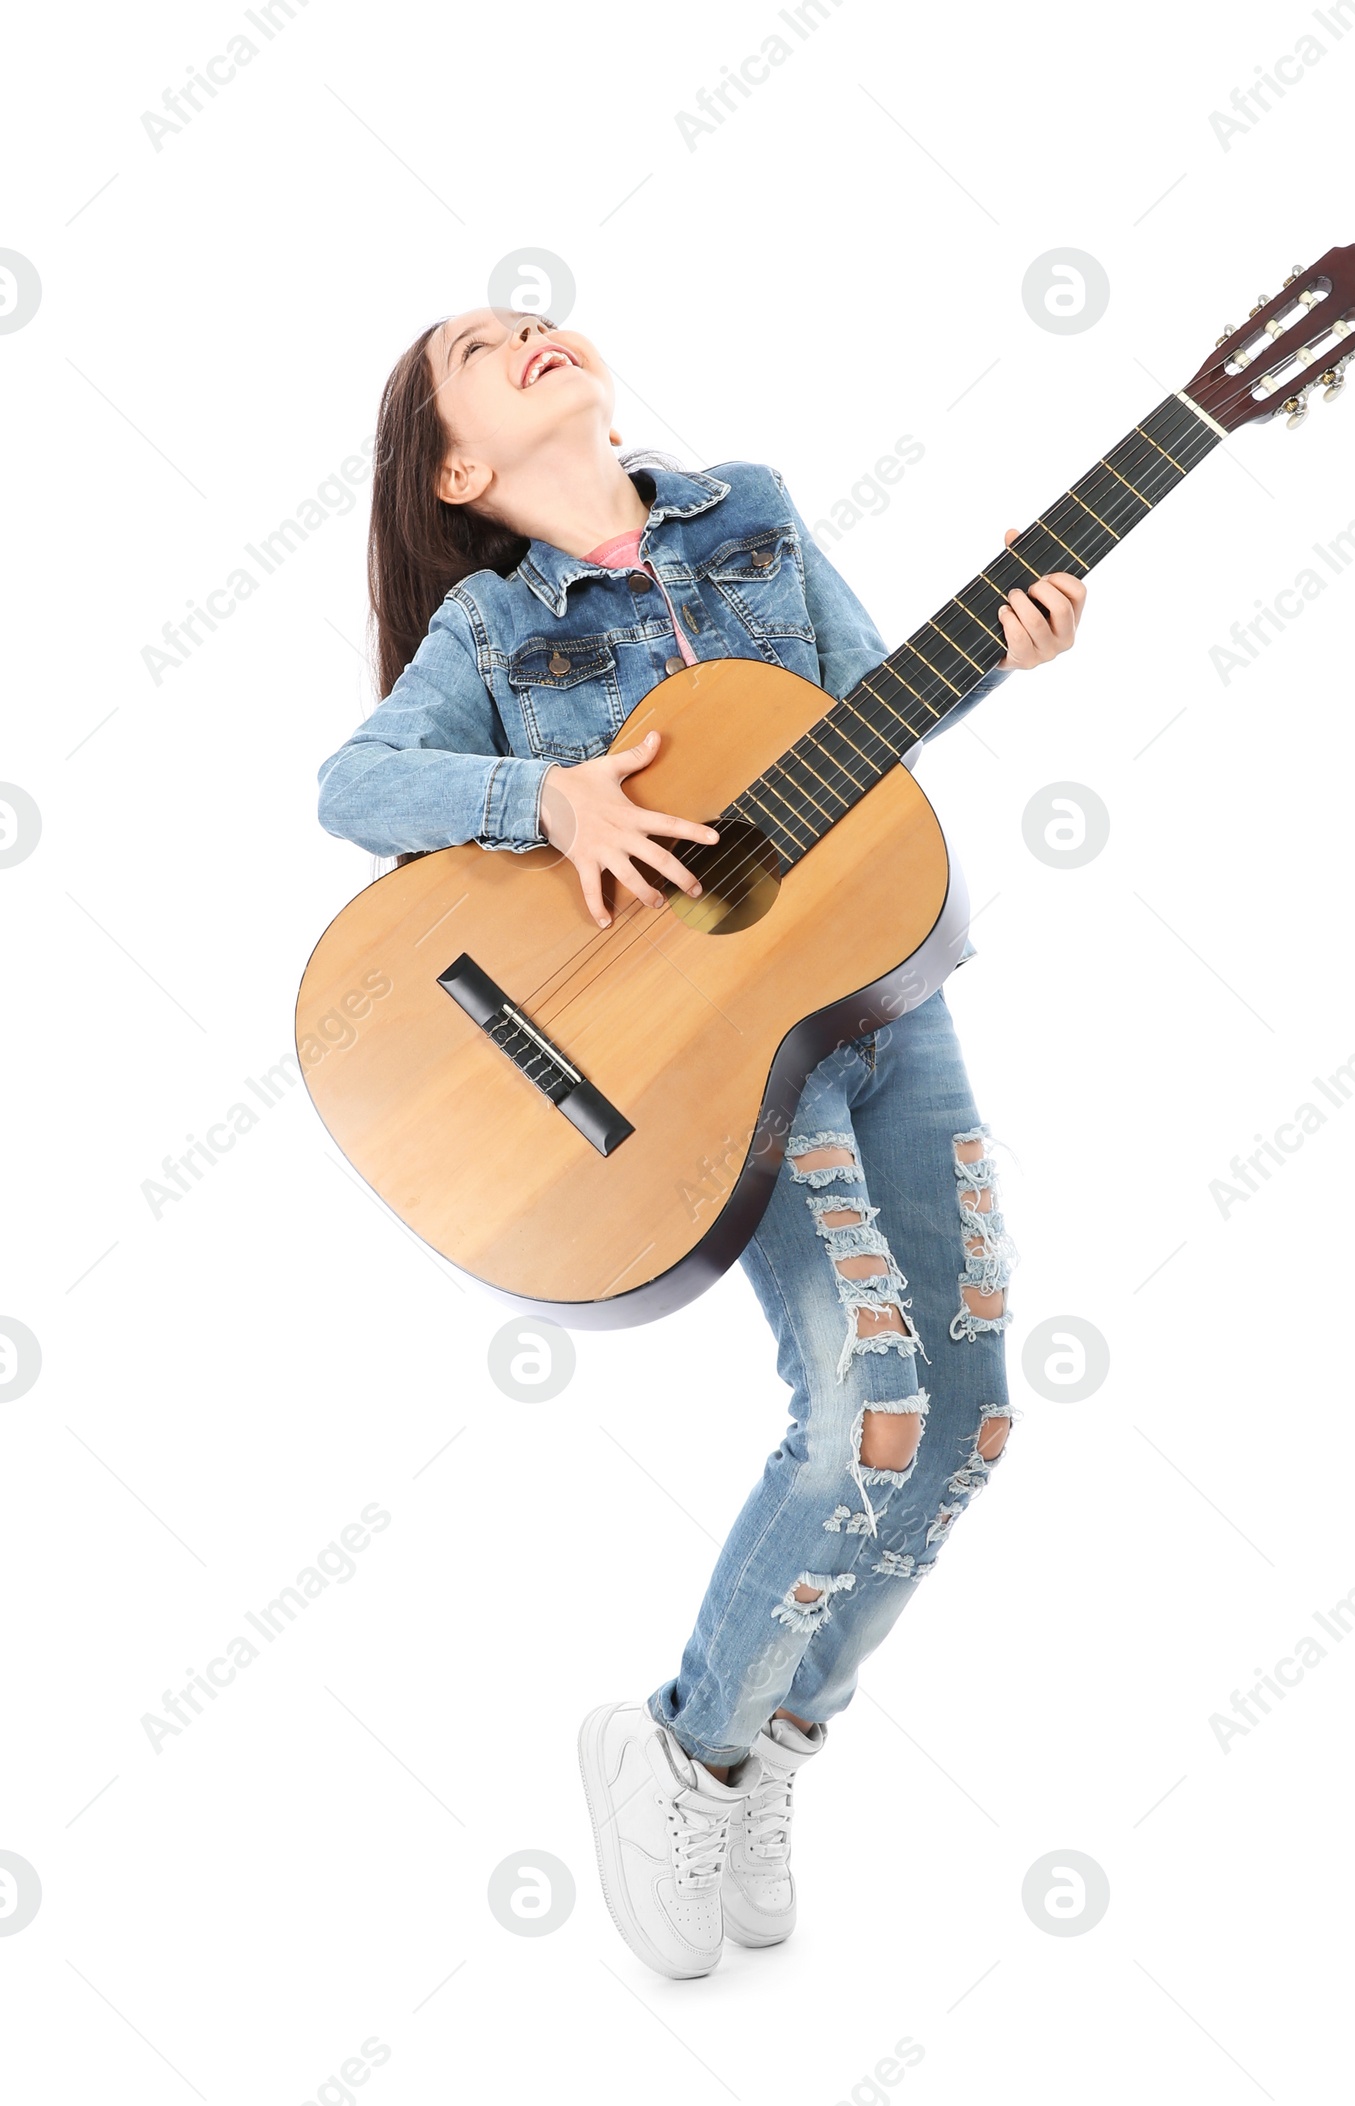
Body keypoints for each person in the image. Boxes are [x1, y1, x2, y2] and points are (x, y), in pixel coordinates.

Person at [317, 305, 1087, 1980]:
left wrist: (1004, 645)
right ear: (456, 464)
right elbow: (357, 784)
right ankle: (679, 1748)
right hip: (707, 1069)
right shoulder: (491, 621)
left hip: (872, 997)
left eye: (539, 314)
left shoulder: (753, 510)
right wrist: (556, 802)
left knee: (966, 1416)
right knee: (864, 1402)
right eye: (480, 344)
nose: (531, 328)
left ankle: (761, 1752)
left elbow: (874, 728)